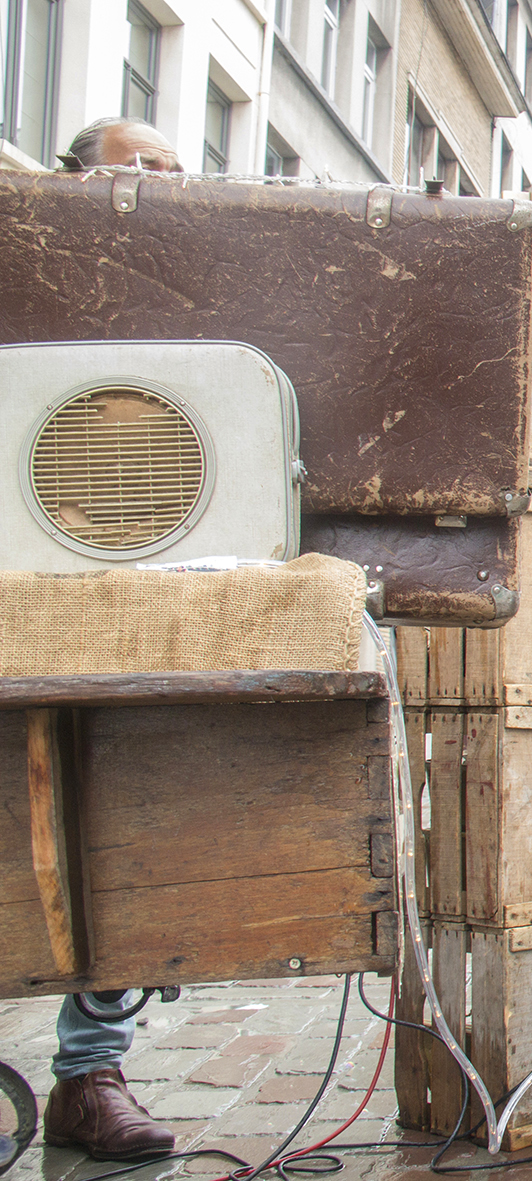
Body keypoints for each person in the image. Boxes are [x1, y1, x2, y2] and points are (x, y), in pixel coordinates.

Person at [39, 117, 183, 1164]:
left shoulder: (189, 288)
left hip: (137, 583)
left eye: (178, 172)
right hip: (28, 564)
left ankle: (91, 1071)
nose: (165, 187)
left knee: (120, 818)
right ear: (77, 179)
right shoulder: (37, 259)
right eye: (142, 169)